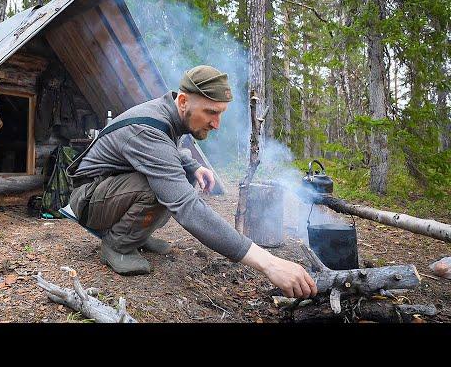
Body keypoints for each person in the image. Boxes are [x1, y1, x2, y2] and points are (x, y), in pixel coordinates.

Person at [62, 65, 316, 299]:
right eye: (211, 112)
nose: (216, 124)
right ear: (183, 101)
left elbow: (167, 150)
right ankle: (118, 244)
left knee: (177, 175)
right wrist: (269, 262)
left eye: (221, 113)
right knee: (162, 188)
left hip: (107, 189)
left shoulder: (168, 113)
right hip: (88, 199)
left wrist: (194, 166)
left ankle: (136, 233)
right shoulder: (148, 129)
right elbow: (187, 207)